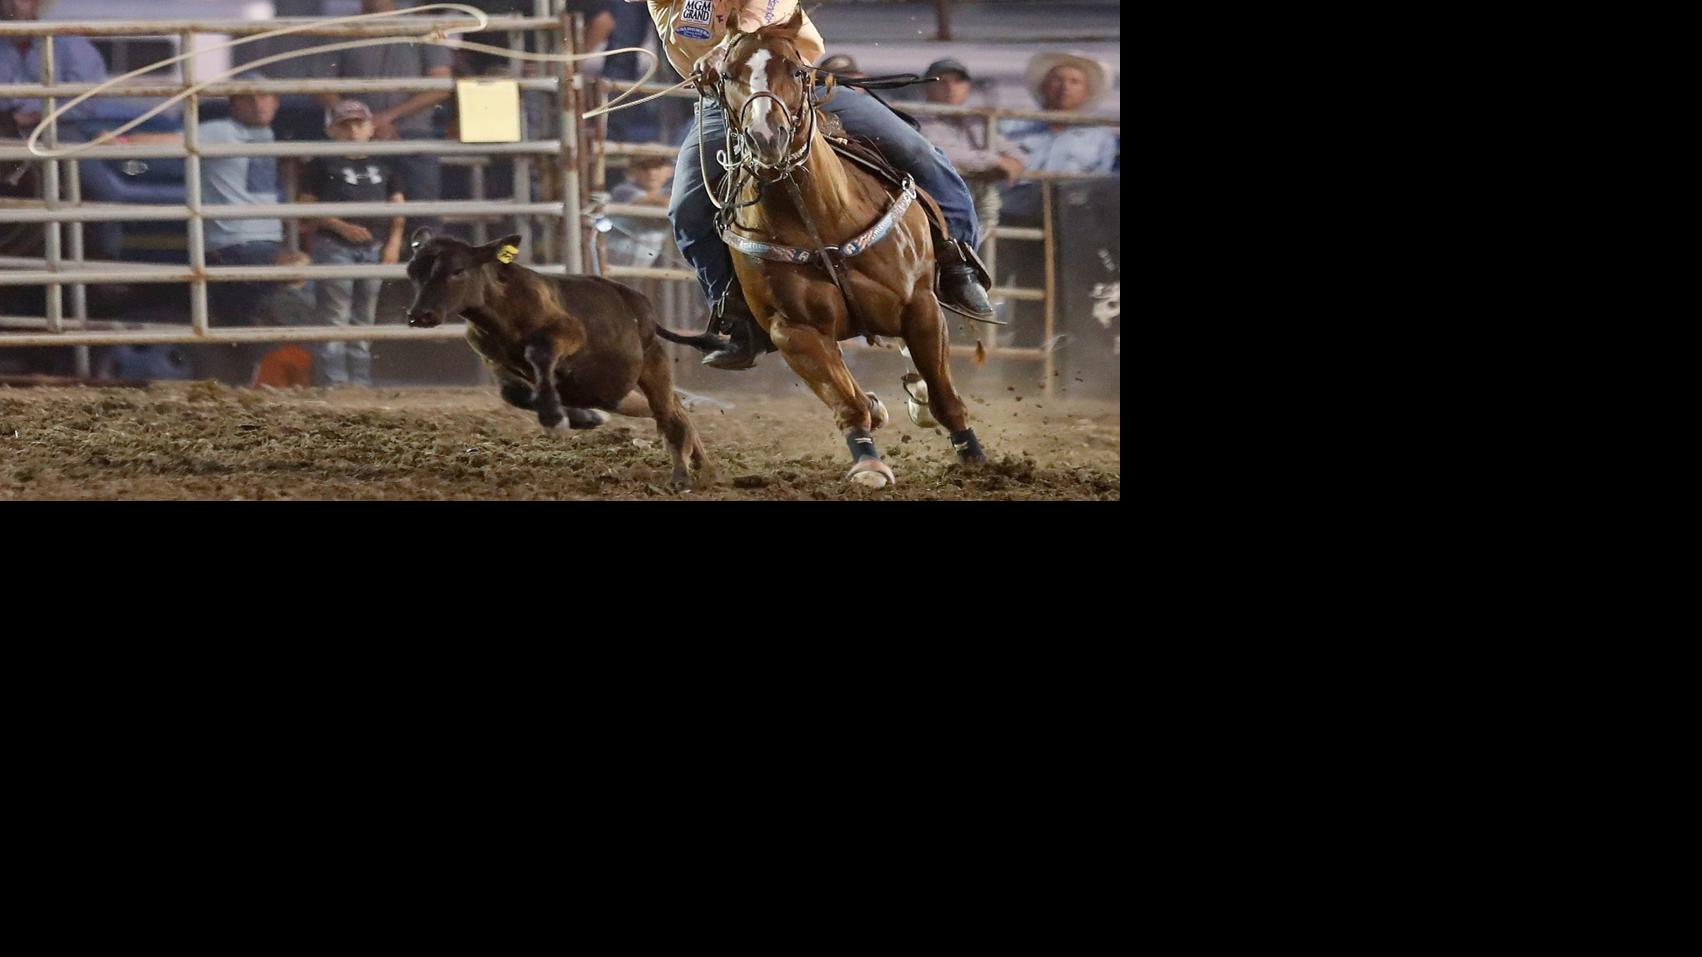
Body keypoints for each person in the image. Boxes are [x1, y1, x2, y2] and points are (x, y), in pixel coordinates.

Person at [631, 0, 996, 370]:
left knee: (917, 151)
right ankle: (735, 310)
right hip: (727, 102)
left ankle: (957, 261)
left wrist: (726, 49)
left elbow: (771, 8)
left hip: (797, 82)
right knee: (687, 209)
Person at [315, 0, 452, 234]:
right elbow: (321, 85)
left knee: (423, 217)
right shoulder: (339, 28)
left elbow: (441, 85)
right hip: (359, 140)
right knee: (363, 219)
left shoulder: (425, 25)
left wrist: (382, 119)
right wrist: (357, 122)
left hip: (411, 135)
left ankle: (425, 265)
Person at [298, 100, 405, 387]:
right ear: (331, 130)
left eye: (359, 124)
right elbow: (307, 205)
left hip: (372, 246)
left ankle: (357, 381)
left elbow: (397, 207)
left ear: (370, 128)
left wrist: (393, 243)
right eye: (346, 125)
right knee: (337, 315)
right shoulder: (321, 164)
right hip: (335, 245)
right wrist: (341, 226)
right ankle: (337, 381)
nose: (354, 130)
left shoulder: (384, 164)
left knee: (362, 315)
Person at [913, 57, 1023, 248]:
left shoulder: (975, 120)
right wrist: (993, 162)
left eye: (958, 81)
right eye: (942, 81)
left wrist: (1014, 160)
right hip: (936, 206)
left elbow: (1013, 152)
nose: (950, 87)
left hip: (974, 205)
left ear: (968, 88)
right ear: (927, 87)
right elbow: (939, 154)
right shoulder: (917, 119)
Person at [998, 52, 1118, 223]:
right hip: (1011, 214)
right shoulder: (1010, 126)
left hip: (1071, 220)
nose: (1065, 87)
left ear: (1086, 92)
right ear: (1043, 86)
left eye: (1074, 82)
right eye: (1057, 80)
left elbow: (1099, 185)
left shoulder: (1101, 139)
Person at [0, 0, 136, 132]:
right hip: (12, 128)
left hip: (70, 125)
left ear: (38, 3)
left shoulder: (69, 43)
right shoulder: (4, 45)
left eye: (23, 0)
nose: (14, 5)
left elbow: (88, 99)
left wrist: (39, 116)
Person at [606, 154, 672, 268]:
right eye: (644, 167)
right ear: (632, 171)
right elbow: (653, 203)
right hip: (611, 266)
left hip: (638, 270)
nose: (652, 172)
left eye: (657, 167)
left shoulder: (668, 194)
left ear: (670, 170)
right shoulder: (623, 191)